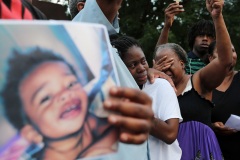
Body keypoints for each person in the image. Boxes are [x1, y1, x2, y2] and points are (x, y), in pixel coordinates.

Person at [1, 47, 119, 159]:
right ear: (31, 132)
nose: (64, 94)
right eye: (46, 98)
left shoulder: (98, 121)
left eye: (71, 84)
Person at [153, 0, 231, 159]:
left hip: (199, 148)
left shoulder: (199, 81)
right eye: (160, 64)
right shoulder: (158, 90)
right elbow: (159, 54)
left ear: (182, 64)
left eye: (169, 63)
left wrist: (217, 17)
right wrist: (166, 25)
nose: (164, 68)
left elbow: (225, 61)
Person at [111, 35, 182, 160]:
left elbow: (170, 134)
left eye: (143, 61)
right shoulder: (112, 94)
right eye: (133, 65)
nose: (142, 68)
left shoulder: (160, 85)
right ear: (120, 67)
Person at [155, 2, 215, 75]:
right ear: (193, 37)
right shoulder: (181, 60)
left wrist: (217, 16)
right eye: (201, 35)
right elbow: (161, 57)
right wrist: (166, 26)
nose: (205, 38)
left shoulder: (217, 62)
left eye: (209, 36)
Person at [208, 42, 240, 160]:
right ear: (211, 58)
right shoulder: (201, 85)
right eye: (223, 51)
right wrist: (211, 126)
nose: (230, 54)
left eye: (233, 50)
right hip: (213, 152)